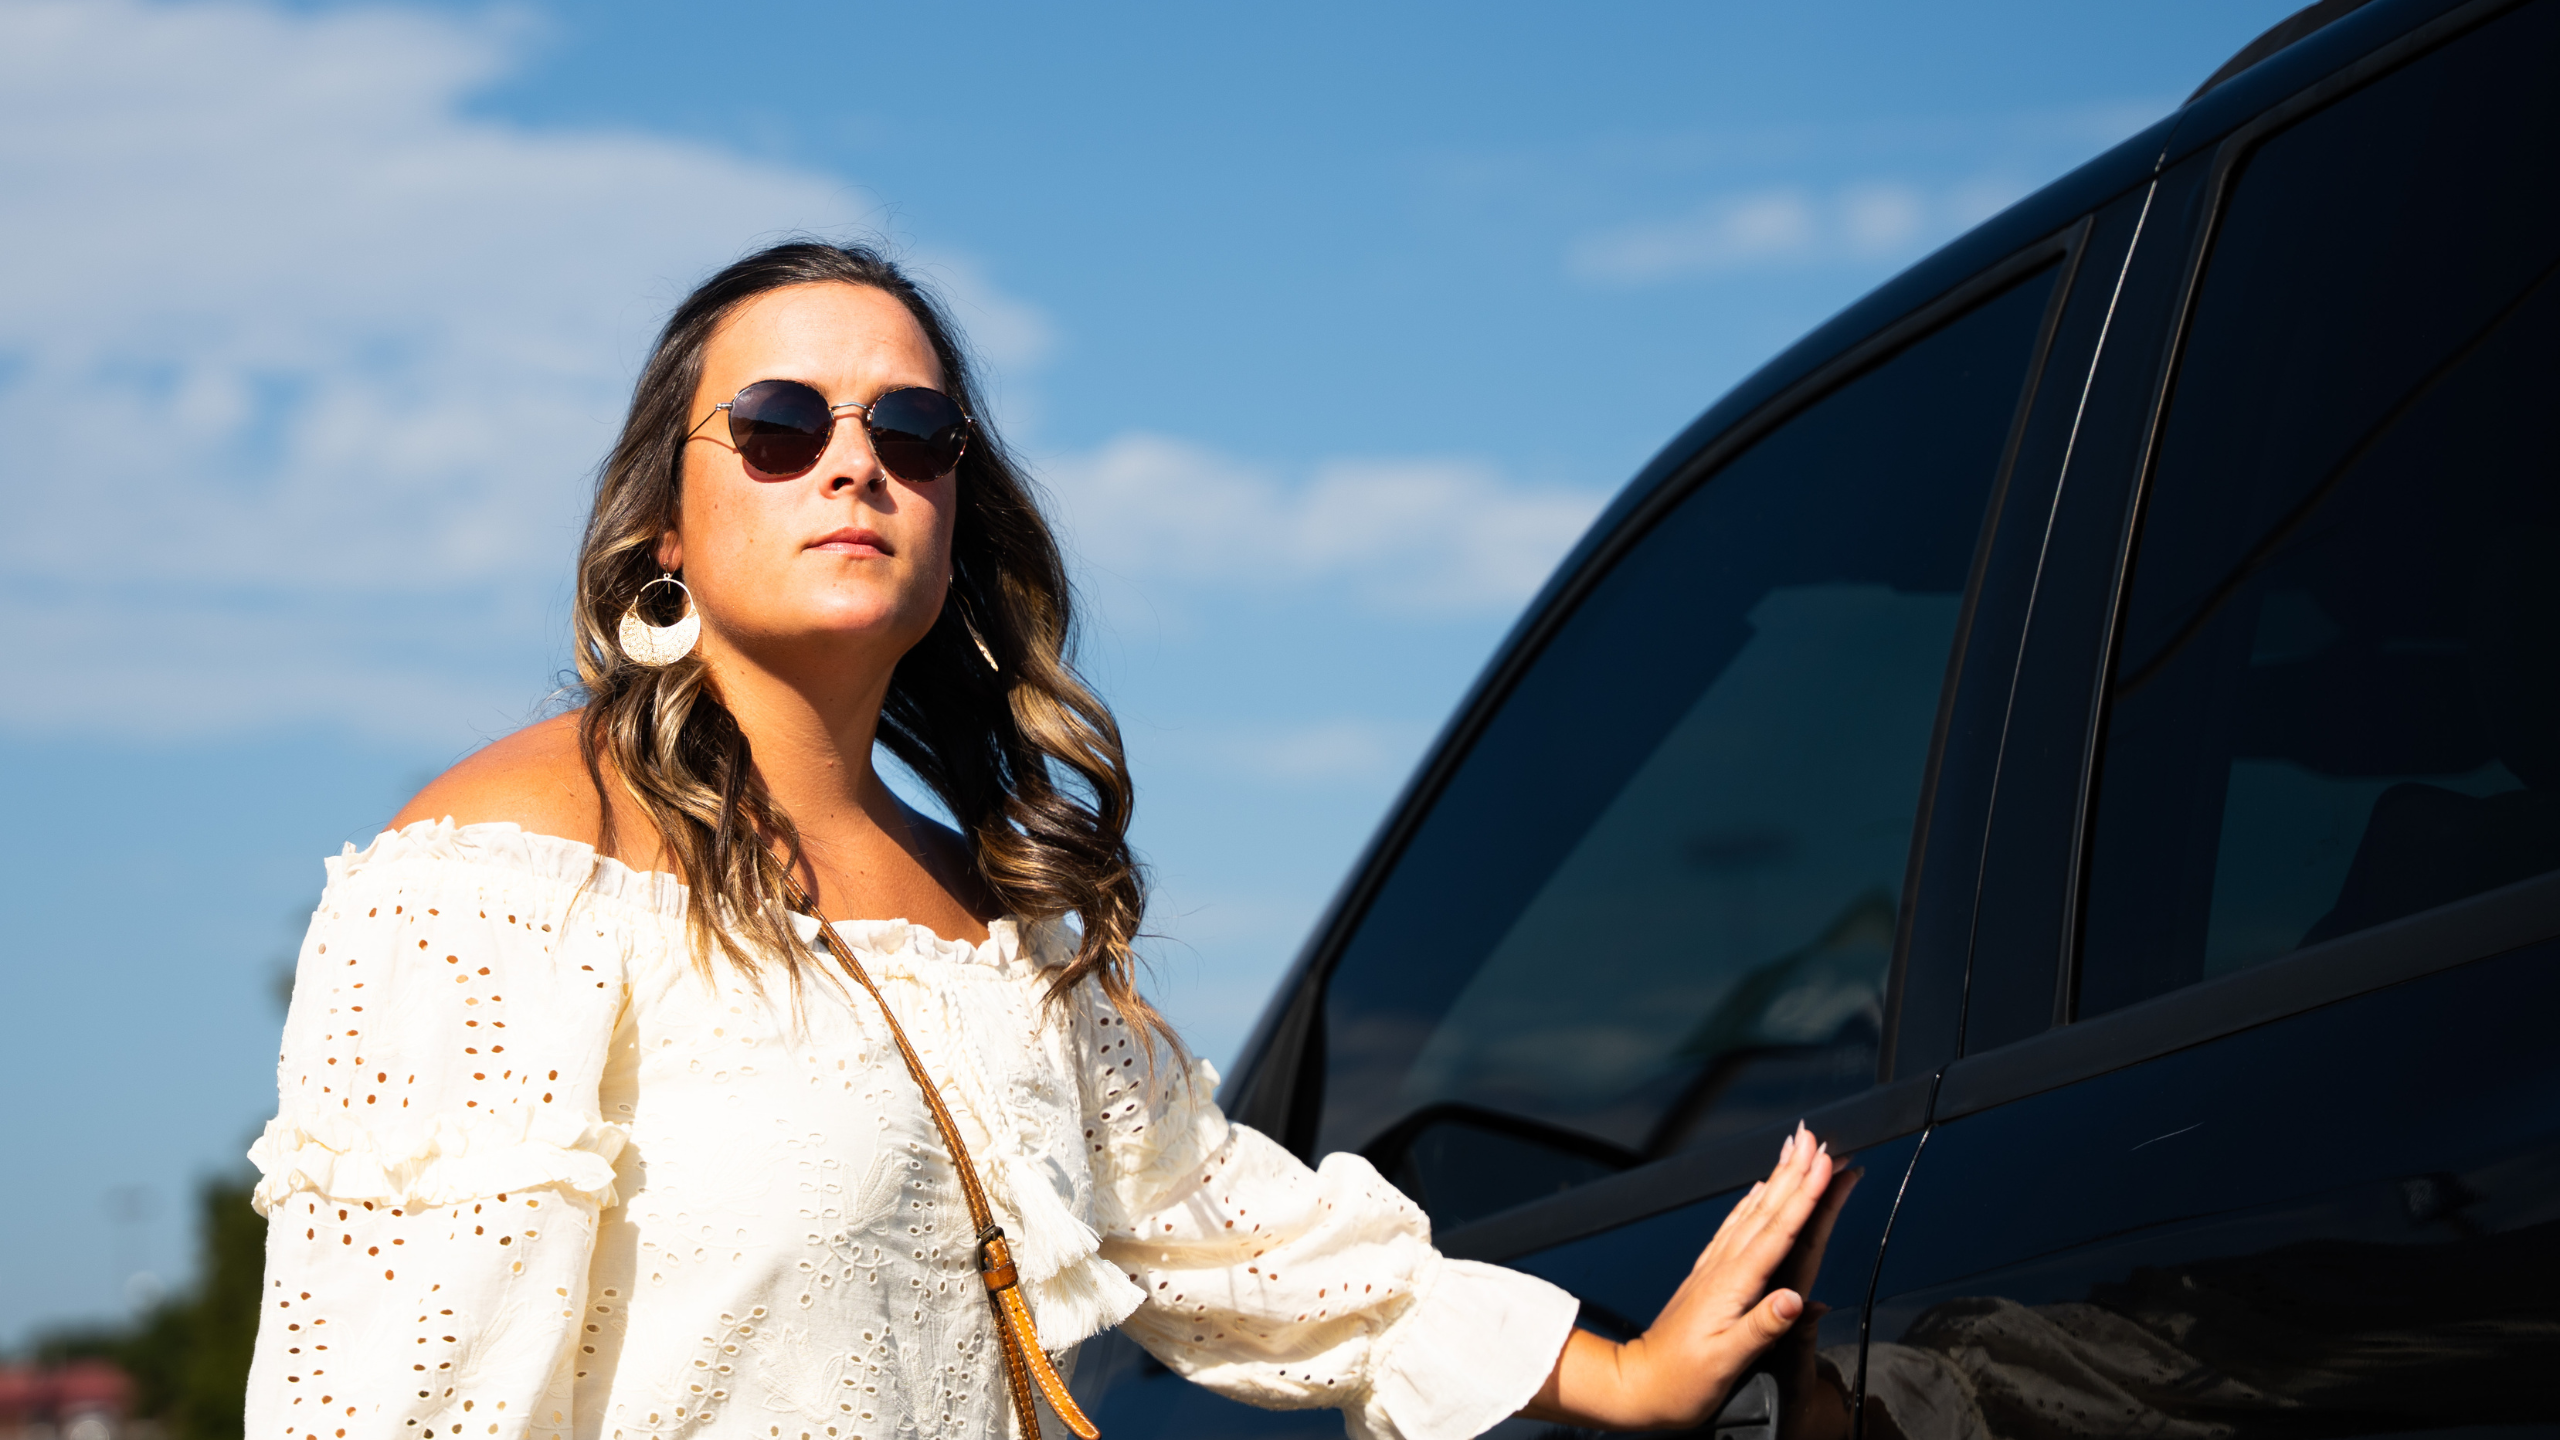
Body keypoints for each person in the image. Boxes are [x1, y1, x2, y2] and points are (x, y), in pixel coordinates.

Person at [242, 241, 1837, 1440]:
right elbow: (392, 1395)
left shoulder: (991, 917)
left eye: (916, 430)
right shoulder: (503, 870)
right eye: (782, 424)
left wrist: (1615, 1374)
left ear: (954, 515)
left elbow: (1227, 1221)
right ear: (667, 524)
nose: (854, 459)